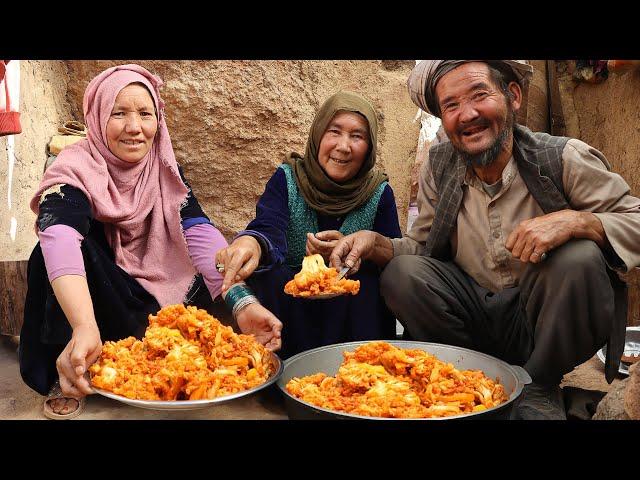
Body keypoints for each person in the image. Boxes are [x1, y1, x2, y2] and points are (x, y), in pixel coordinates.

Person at [330, 60, 640, 419]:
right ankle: (469, 376)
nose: (468, 115)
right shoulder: (440, 165)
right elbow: (421, 248)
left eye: (480, 95)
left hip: (542, 320)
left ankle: (538, 384)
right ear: (443, 120)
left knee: (579, 257)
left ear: (513, 96)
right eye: (451, 105)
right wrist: (373, 243)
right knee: (402, 273)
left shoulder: (562, 157)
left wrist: (578, 221)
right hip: (473, 316)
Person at [19, 64, 282, 419]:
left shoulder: (163, 166)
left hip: (156, 298)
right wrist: (83, 325)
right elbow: (59, 234)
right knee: (47, 253)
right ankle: (67, 367)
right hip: (99, 305)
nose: (135, 127)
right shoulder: (73, 168)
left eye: (145, 113)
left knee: (234, 277)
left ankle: (153, 358)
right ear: (97, 117)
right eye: (119, 113)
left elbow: (197, 232)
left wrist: (241, 304)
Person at [215, 91, 402, 359]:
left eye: (357, 136)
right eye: (334, 131)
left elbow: (390, 254)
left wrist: (358, 252)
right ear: (318, 136)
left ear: (369, 146)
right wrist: (251, 242)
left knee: (369, 284)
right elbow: (269, 228)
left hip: (351, 318)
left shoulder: (378, 193)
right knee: (267, 274)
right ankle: (275, 365)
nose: (344, 146)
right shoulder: (288, 179)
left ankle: (364, 371)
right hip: (291, 311)